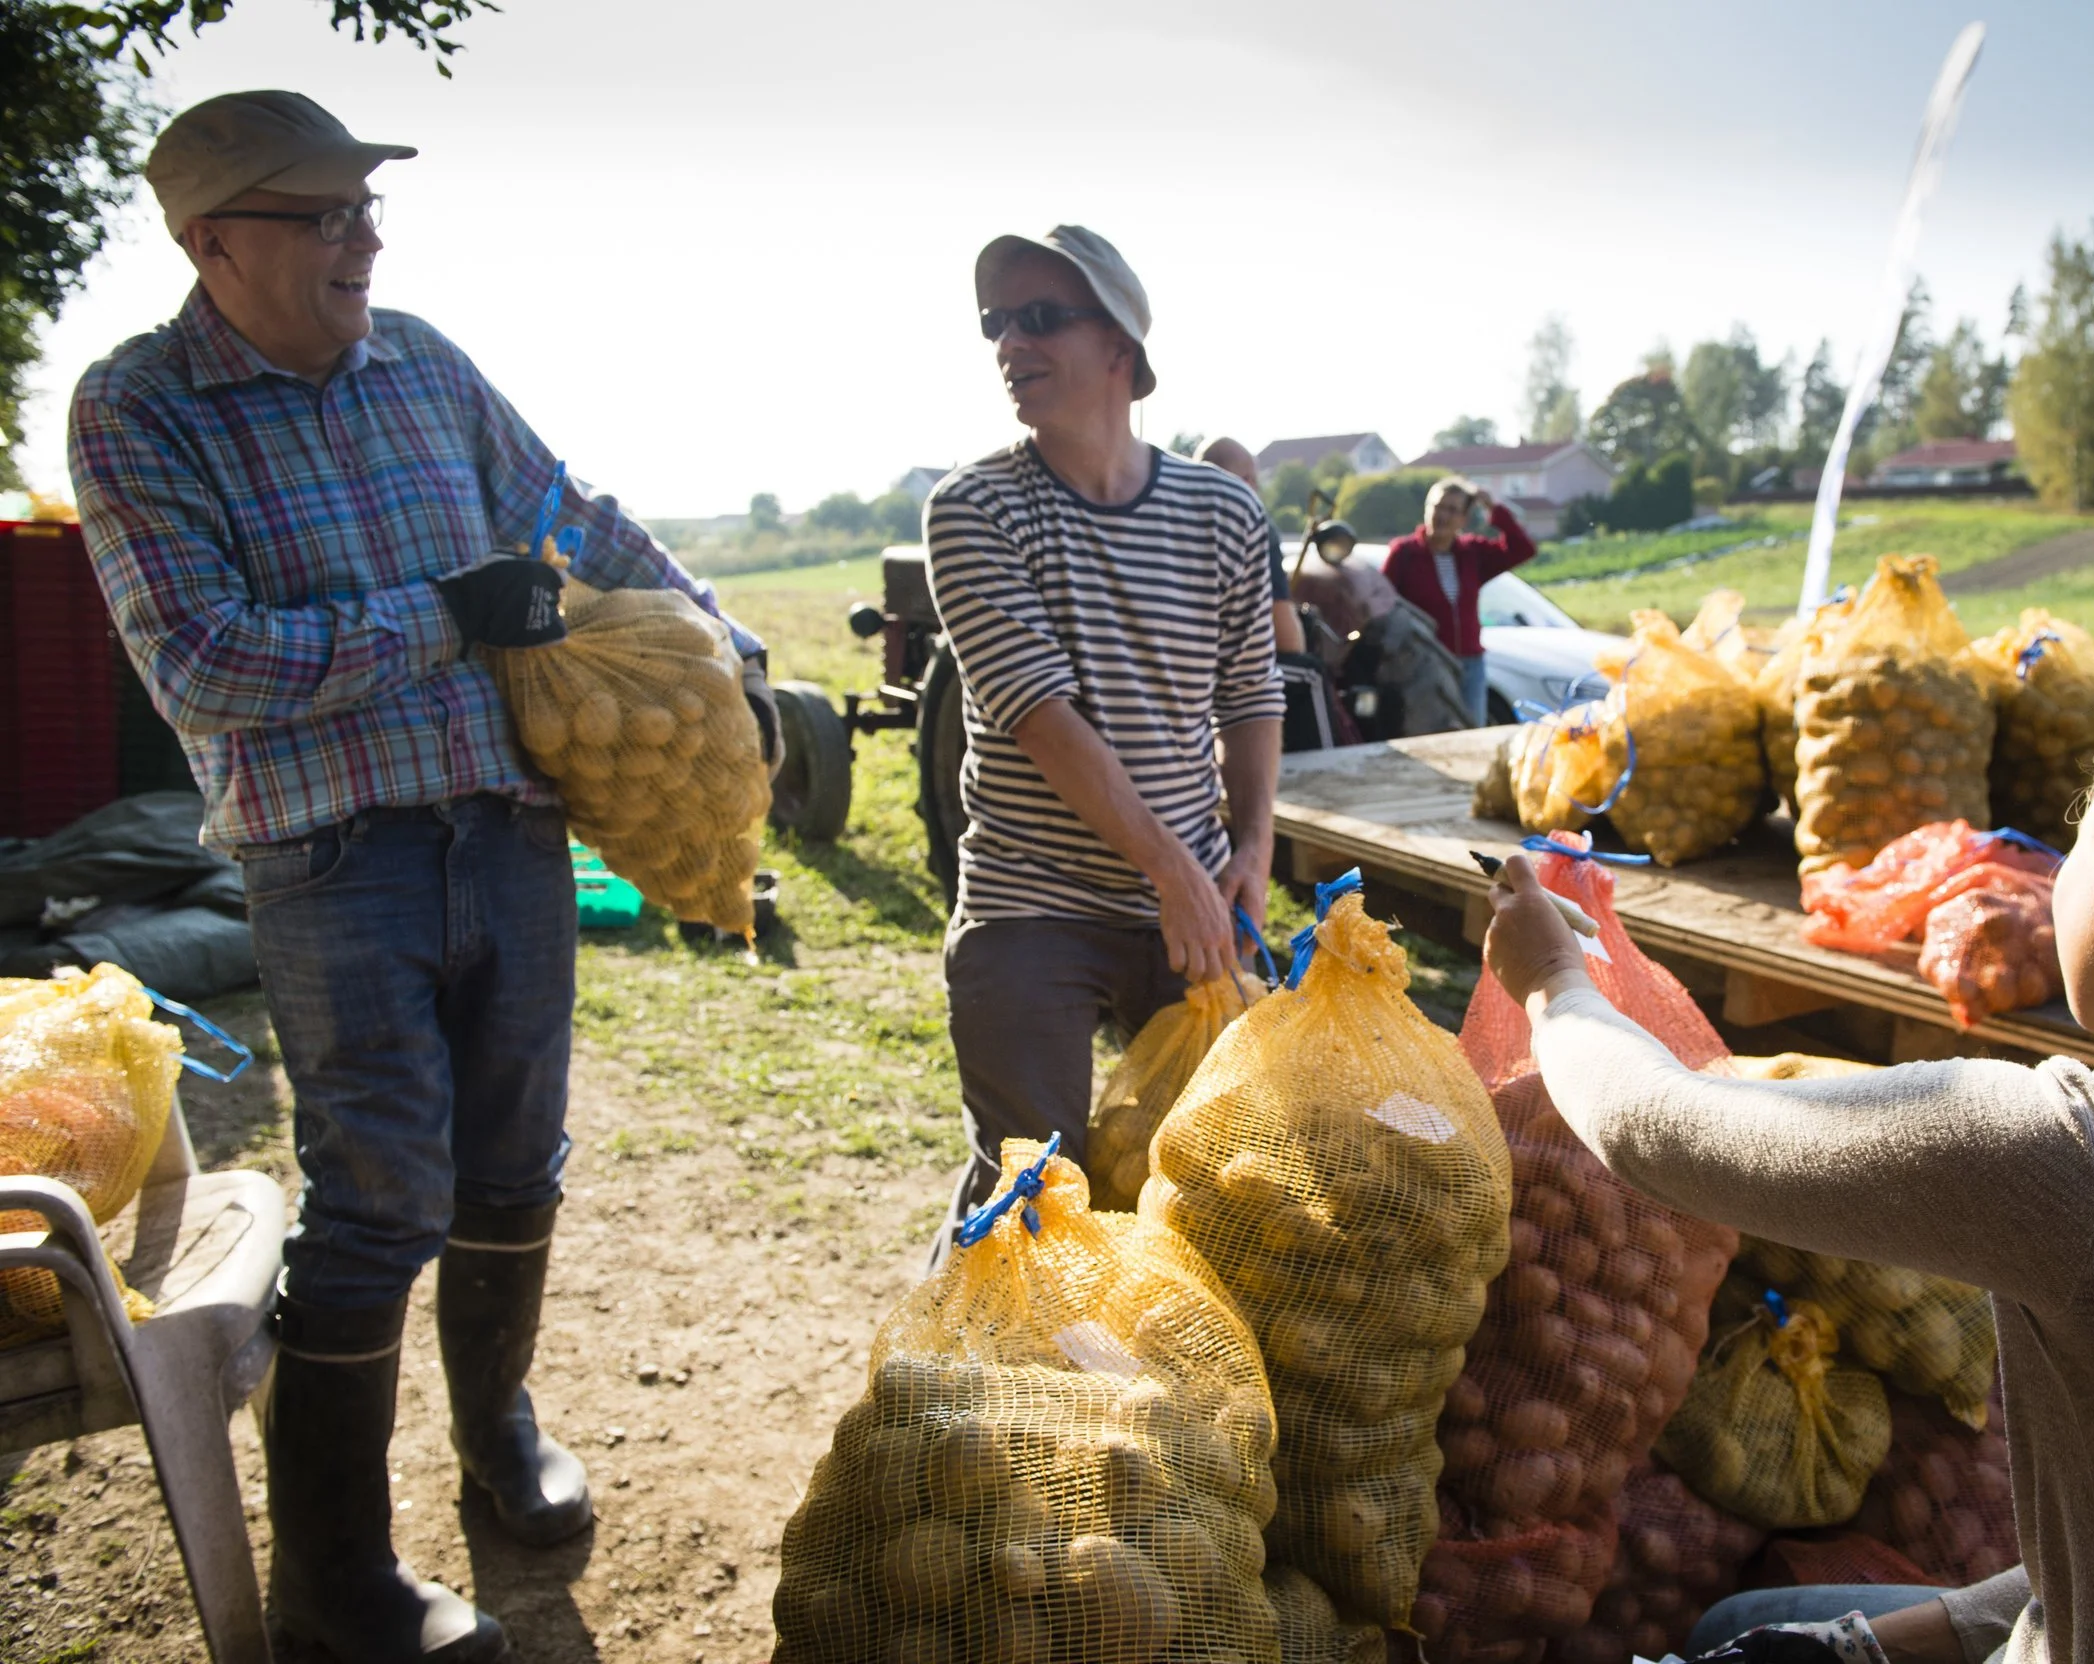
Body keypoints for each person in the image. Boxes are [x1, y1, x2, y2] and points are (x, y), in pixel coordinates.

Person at [68, 92, 778, 1664]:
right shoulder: (140, 409)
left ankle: (500, 1438)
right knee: (383, 1201)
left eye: (365, 212)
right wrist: (445, 617)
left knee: (517, 1168)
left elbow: (566, 517)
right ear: (210, 243)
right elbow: (204, 664)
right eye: (320, 216)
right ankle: (340, 1581)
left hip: (509, 836)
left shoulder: (428, 364)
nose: (360, 239)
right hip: (330, 861)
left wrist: (709, 629)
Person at [1482, 676, 2094, 1663]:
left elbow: (1657, 1127)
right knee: (1785, 1621)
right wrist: (1874, 1643)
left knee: (1719, 1628)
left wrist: (1554, 981)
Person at [924, 226, 1283, 1251]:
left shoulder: (1220, 512)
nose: (1009, 344)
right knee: (1036, 1188)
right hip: (1030, 900)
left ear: (1120, 344)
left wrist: (1249, 847)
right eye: (997, 323)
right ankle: (979, 1391)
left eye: (1040, 317)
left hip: (1194, 895)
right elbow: (1039, 716)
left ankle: (1161, 1397)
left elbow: (1251, 692)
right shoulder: (974, 508)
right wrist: (1173, 866)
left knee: (1217, 1182)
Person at [1383, 475, 1536, 724]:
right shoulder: (1404, 553)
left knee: (1471, 734)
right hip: (1423, 663)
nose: (1442, 515)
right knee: (1429, 735)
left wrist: (1492, 508)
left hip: (1470, 664)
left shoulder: (1472, 553)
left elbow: (1523, 549)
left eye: (1452, 510)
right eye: (1437, 507)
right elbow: (1381, 604)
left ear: (1463, 519)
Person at [1195, 436, 1307, 656]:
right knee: (1312, 675)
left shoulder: (1171, 519)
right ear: (1245, 482)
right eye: (1253, 480)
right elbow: (1287, 638)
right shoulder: (1251, 523)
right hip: (1236, 666)